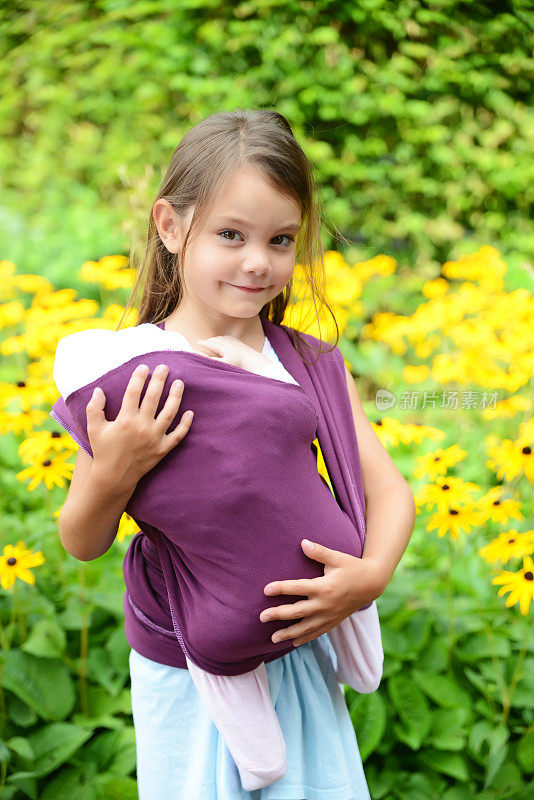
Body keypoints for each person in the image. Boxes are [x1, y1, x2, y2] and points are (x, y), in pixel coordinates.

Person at [52, 109, 415, 800]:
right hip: (187, 671)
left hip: (302, 649)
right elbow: (80, 538)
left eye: (281, 240)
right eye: (230, 235)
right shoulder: (133, 371)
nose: (259, 262)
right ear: (169, 226)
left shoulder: (308, 365)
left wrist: (369, 578)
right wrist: (115, 469)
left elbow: (390, 491)